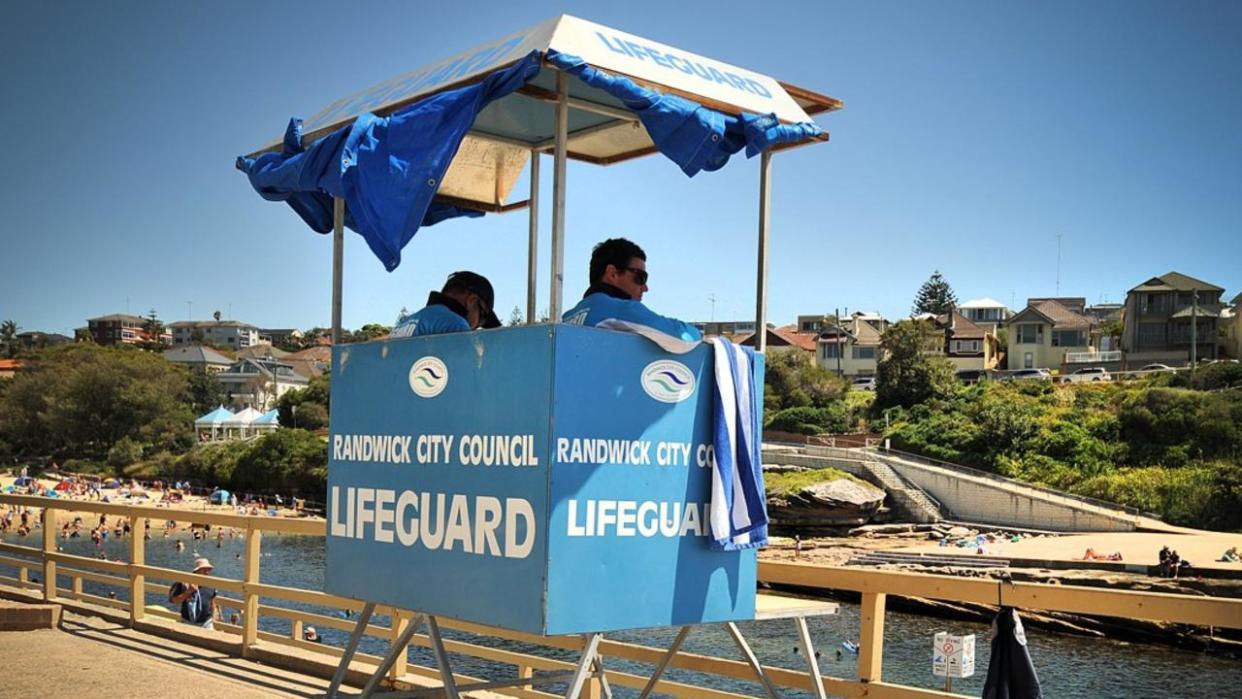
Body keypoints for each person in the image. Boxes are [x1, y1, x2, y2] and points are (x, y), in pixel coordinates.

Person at [561, 238, 702, 343]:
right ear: (612, 274)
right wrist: (699, 333)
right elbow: (680, 336)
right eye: (640, 277)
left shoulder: (567, 317)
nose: (645, 288)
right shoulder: (618, 310)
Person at [391, 271, 501, 337]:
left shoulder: (406, 323)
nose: (474, 329)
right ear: (471, 301)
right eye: (481, 319)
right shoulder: (455, 324)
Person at [169, 558, 218, 629]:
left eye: (208, 569)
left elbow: (212, 602)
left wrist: (214, 617)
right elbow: (174, 600)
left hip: (206, 622)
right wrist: (189, 591)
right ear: (197, 570)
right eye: (204, 569)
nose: (207, 572)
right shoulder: (184, 583)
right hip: (187, 622)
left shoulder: (211, 584)